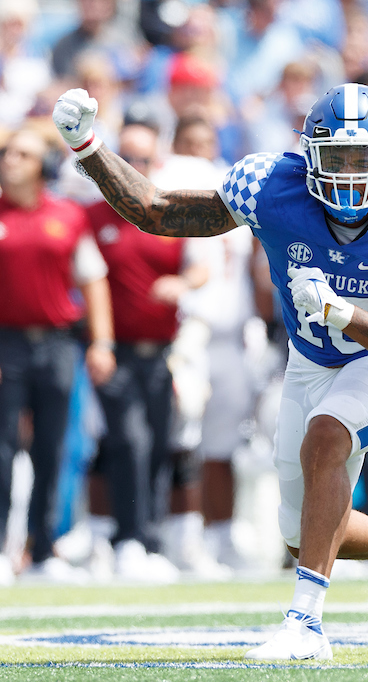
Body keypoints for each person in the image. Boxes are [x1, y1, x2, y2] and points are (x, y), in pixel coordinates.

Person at [51, 82, 368, 660]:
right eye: (337, 158)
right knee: (305, 533)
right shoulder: (271, 186)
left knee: (327, 438)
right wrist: (89, 148)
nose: (349, 174)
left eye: (363, 158)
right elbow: (158, 211)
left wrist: (346, 316)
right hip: (309, 361)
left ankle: (305, 625)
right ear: (308, 153)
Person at [86, 122, 209, 581]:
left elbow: (202, 267)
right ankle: (126, 538)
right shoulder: (94, 216)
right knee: (127, 441)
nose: (135, 168)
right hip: (114, 350)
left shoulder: (168, 213)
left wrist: (182, 283)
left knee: (159, 442)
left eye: (142, 160)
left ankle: (149, 539)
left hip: (163, 349)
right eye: (127, 159)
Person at [0, 128, 115, 582]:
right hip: (6, 342)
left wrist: (102, 342)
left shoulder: (67, 216)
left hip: (58, 344)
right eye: (7, 153)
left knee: (53, 448)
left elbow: (92, 280)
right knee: (2, 449)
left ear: (43, 166)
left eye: (22, 154)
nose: (10, 160)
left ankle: (43, 549)